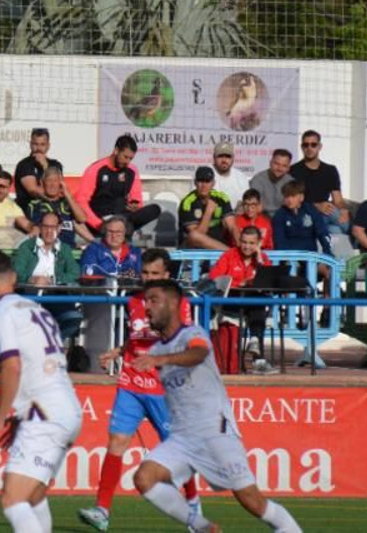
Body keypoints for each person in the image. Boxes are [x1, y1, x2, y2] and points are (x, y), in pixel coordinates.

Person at [131, 280, 304, 533]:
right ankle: (203, 527)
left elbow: (198, 354)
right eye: (146, 301)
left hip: (214, 431)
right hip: (182, 437)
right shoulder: (157, 348)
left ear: (174, 303)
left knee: (252, 501)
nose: (147, 307)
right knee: (144, 478)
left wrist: (161, 360)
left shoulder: (194, 334)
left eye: (154, 300)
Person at [78, 250, 200, 533]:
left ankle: (193, 505)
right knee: (117, 442)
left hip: (163, 387)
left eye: (155, 274)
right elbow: (138, 338)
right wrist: (118, 351)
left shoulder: (179, 305)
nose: (148, 279)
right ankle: (102, 510)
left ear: (167, 275)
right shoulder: (134, 301)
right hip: (132, 382)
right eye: (145, 273)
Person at [0, 249, 82, 533]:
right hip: (68, 407)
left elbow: (12, 365)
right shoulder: (37, 308)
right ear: (12, 277)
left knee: (13, 498)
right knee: (33, 495)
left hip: (45, 412)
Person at [208, 226, 311, 373]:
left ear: (258, 244)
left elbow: (269, 281)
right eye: (244, 242)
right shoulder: (229, 255)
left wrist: (260, 260)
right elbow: (215, 279)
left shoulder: (262, 259)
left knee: (258, 300)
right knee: (258, 302)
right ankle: (258, 358)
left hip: (253, 303)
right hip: (231, 302)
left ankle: (256, 346)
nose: (247, 246)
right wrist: (240, 283)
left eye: (251, 243)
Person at [12, 212, 83, 340]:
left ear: (59, 229)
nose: (49, 231)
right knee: (29, 325)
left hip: (56, 293)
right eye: (45, 227)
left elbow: (75, 273)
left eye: (53, 227)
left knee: (73, 318)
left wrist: (53, 280)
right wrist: (31, 279)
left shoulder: (64, 249)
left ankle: (52, 345)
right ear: (39, 227)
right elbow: (16, 272)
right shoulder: (27, 247)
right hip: (30, 294)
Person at [76, 135, 160, 234]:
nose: (127, 162)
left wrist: (135, 206)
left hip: (122, 217)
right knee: (117, 209)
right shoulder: (96, 169)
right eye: (125, 157)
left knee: (155, 209)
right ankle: (117, 229)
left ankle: (122, 228)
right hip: (100, 217)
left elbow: (137, 199)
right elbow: (81, 201)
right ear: (116, 151)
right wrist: (98, 224)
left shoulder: (132, 171)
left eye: (131, 159)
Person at [289, 130, 349, 237]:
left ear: (320, 146)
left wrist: (343, 209)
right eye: (306, 145)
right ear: (302, 147)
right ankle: (353, 241)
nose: (309, 148)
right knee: (338, 230)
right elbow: (293, 201)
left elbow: (338, 200)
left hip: (326, 213)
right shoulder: (294, 170)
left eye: (313, 144)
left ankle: (352, 236)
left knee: (336, 229)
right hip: (306, 214)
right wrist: (316, 206)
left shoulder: (330, 170)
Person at [24, 165, 93, 248]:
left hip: (69, 249)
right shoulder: (35, 205)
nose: (52, 184)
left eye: (56, 181)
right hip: (46, 249)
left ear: (61, 183)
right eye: (49, 180)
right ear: (42, 183)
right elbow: (34, 228)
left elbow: (82, 219)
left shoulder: (68, 204)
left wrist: (66, 193)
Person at [177, 166, 233, 250]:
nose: (204, 185)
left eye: (207, 181)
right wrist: (208, 211)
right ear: (195, 183)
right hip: (192, 249)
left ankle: (239, 256)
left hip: (218, 244)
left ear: (213, 183)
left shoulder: (221, 199)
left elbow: (232, 227)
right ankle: (230, 253)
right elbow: (197, 238)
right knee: (194, 235)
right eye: (200, 181)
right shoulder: (187, 203)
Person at [13, 128, 62, 209]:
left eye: (42, 144)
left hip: (54, 209)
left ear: (48, 146)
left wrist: (45, 166)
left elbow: (62, 189)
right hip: (30, 210)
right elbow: (34, 191)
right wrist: (54, 192)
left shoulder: (56, 165)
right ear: (30, 144)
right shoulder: (25, 165)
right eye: (35, 144)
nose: (39, 148)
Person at [270, 181, 323, 254]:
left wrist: (328, 254)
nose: (289, 200)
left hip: (309, 255)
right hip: (288, 255)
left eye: (293, 196)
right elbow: (279, 241)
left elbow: (322, 233)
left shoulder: (311, 210)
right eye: (286, 196)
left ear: (301, 197)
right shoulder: (279, 215)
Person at [249, 149, 293, 216]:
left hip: (284, 217)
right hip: (262, 216)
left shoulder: (291, 181)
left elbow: (293, 206)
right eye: (277, 164)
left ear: (288, 168)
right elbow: (254, 206)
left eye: (284, 166)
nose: (279, 168)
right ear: (270, 163)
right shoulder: (258, 180)